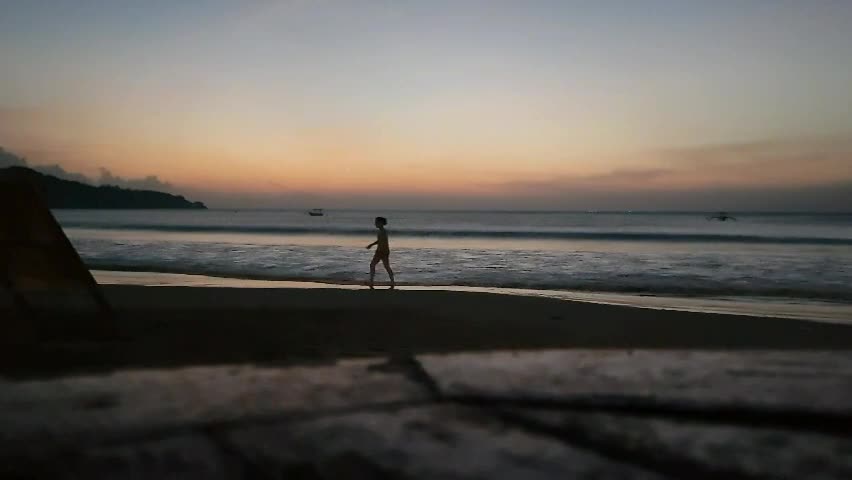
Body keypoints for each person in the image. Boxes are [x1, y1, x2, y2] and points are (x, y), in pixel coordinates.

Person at [366, 216, 395, 289]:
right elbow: (379, 241)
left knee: (383, 266)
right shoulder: (380, 231)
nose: (375, 224)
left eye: (376, 222)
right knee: (374, 265)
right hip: (380, 251)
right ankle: (372, 280)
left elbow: (383, 242)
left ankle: (392, 281)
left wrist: (372, 245)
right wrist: (371, 245)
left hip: (383, 251)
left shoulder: (383, 232)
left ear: (381, 223)